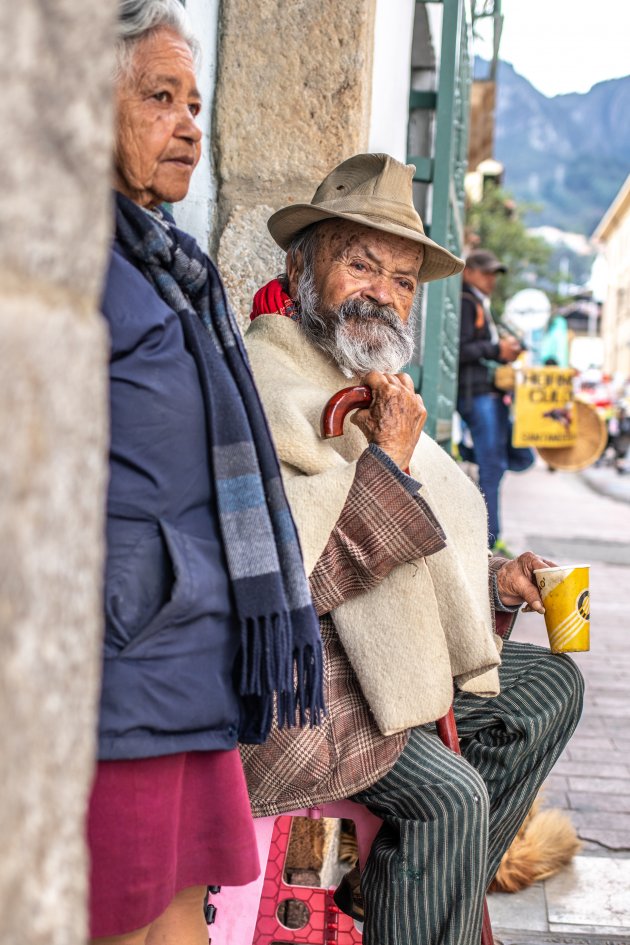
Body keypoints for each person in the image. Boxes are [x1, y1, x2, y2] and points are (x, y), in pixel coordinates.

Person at [240, 153, 584, 945]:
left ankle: (413, 889)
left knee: (548, 690)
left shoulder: (366, 381)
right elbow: (298, 582)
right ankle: (428, 903)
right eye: (360, 263)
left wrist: (501, 583)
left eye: (401, 279)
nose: (383, 294)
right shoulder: (267, 381)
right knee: (453, 797)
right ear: (300, 265)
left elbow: (425, 560)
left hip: (391, 668)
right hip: (309, 695)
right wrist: (386, 464)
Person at [88, 3, 324, 943]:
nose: (189, 124)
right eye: (160, 98)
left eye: (197, 101)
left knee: (184, 915)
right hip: (114, 672)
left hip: (189, 664)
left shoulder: (168, 268)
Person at [457, 249, 534, 556]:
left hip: (487, 394)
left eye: (493, 274)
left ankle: (466, 455)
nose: (491, 279)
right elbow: (461, 349)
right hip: (477, 394)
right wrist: (495, 350)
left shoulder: (479, 303)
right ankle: (489, 539)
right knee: (493, 466)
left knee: (513, 459)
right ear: (469, 271)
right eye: (486, 272)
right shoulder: (466, 302)